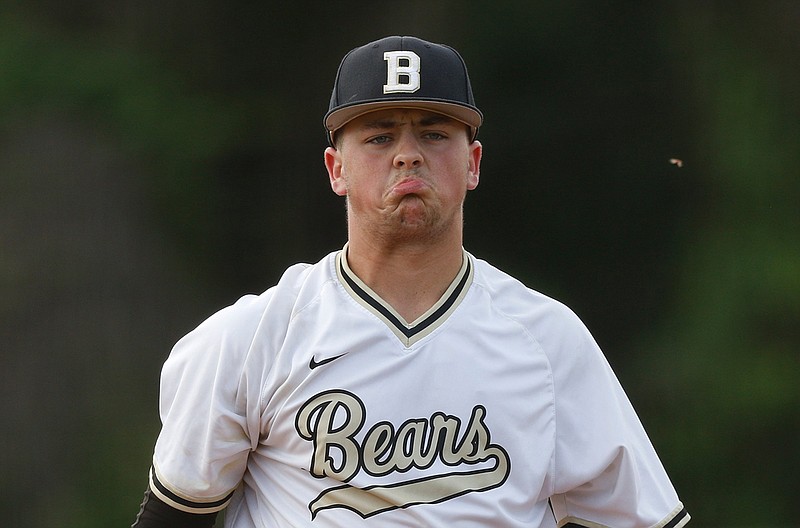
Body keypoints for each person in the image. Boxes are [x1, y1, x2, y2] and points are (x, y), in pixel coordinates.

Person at [131, 35, 690, 528]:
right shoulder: (251, 338)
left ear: (472, 163)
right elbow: (174, 517)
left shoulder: (547, 342)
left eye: (433, 134)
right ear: (336, 169)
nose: (407, 156)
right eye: (378, 137)